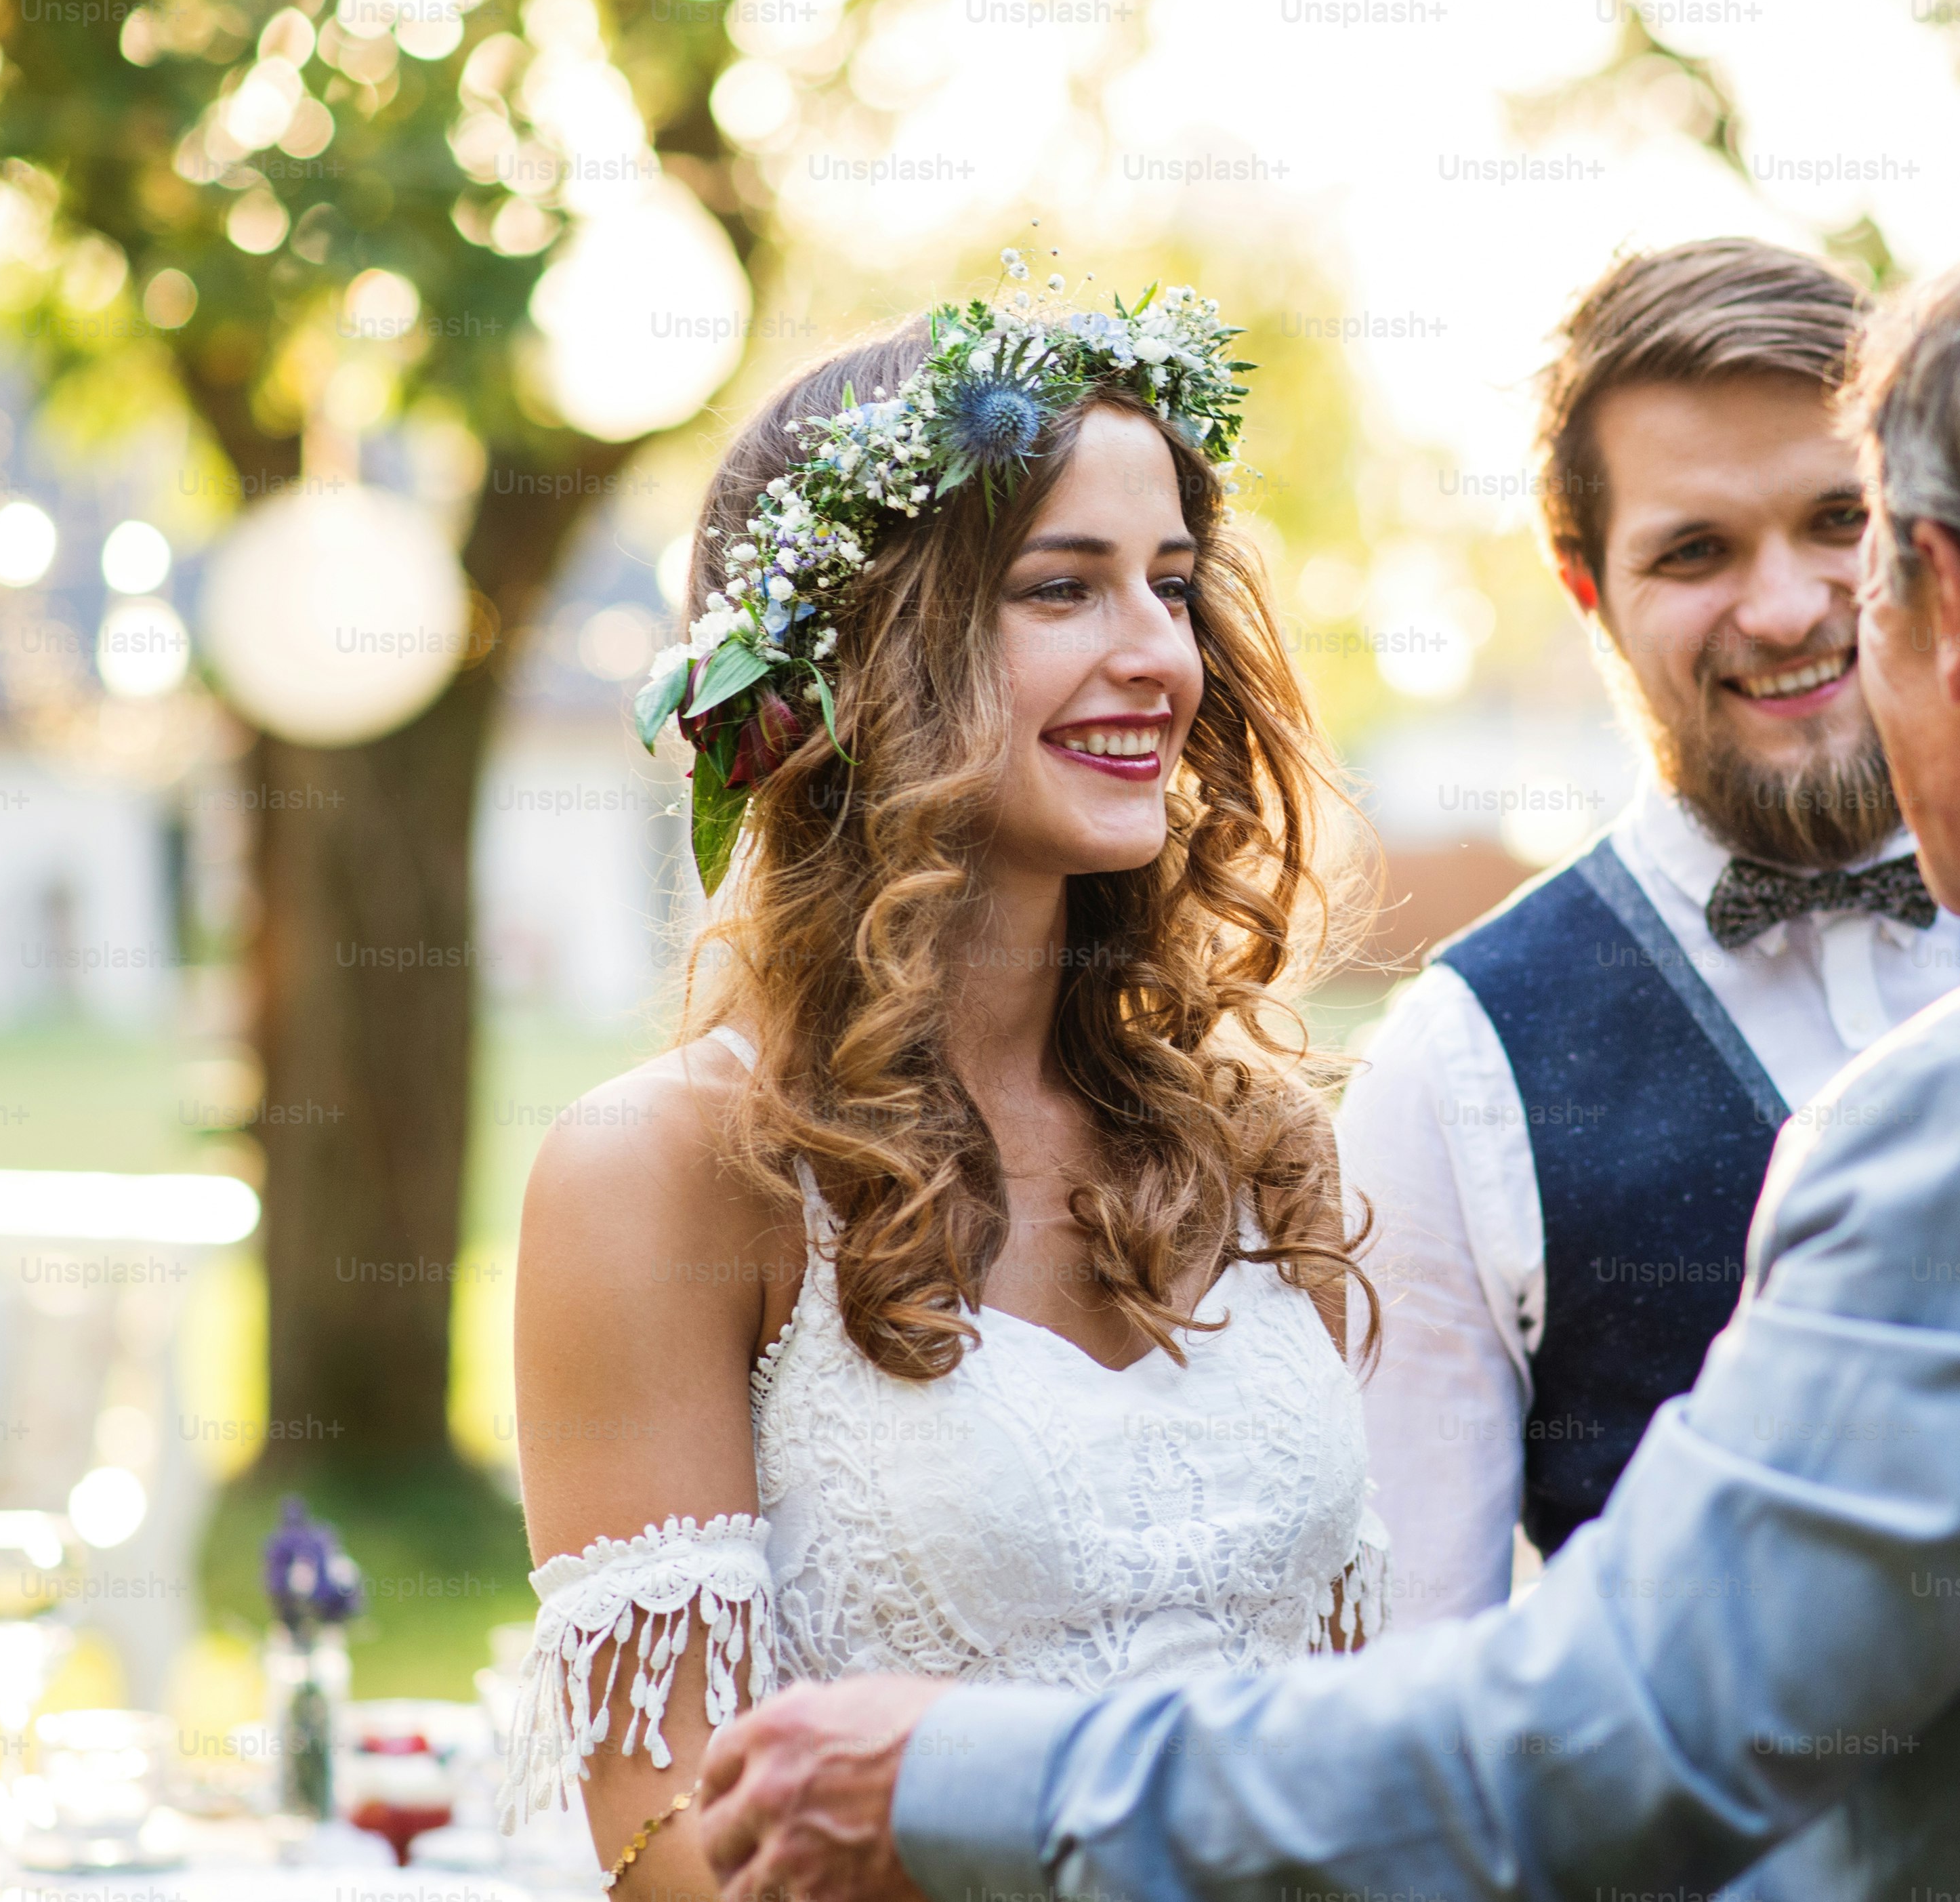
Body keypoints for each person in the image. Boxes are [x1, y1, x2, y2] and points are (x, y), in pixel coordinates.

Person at [688, 212, 1960, 1902]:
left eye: (1861, 556)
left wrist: (955, 1774)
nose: (1810, 622)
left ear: (1949, 604)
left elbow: (1612, 1739)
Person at [500, 266, 1383, 1901]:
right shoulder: (668, 1171)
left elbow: (1349, 1734)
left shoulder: (1259, 1146)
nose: (1159, 656)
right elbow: (671, 1846)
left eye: (1171, 586)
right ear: (858, 652)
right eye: (1063, 588)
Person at [1345, 239, 1960, 1626]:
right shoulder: (1455, 1068)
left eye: (1839, 519)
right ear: (1586, 588)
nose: (1786, 608)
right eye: (1696, 550)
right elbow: (1423, 1678)